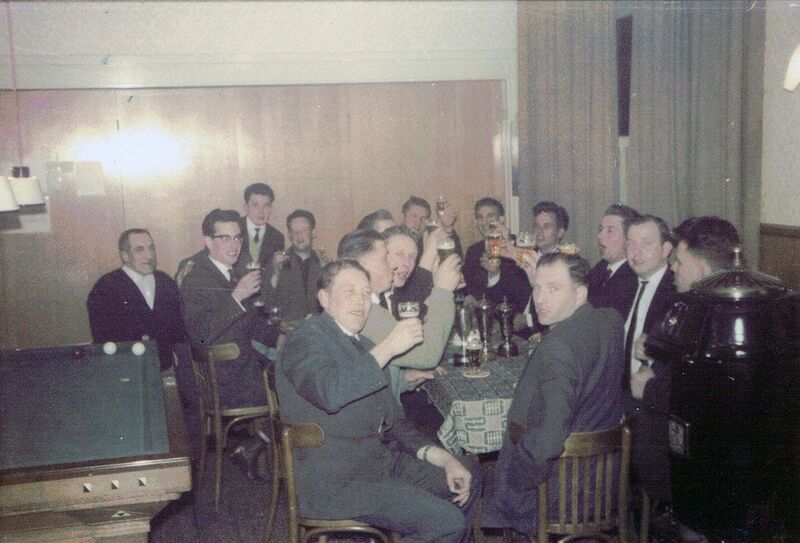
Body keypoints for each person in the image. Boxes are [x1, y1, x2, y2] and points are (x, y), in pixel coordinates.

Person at [275, 260, 480, 542]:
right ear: (324, 298)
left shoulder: (364, 345)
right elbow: (329, 392)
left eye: (366, 292)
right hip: (335, 483)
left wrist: (444, 458)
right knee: (447, 523)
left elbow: (394, 422)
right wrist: (389, 347)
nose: (360, 300)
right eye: (349, 291)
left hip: (377, 466)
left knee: (467, 471)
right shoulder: (305, 339)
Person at [482, 252, 624, 537]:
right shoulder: (610, 321)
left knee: (481, 486)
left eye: (554, 288)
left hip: (560, 493)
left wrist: (513, 479)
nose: (540, 299)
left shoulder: (557, 347)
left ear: (580, 293)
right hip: (606, 483)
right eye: (537, 287)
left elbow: (546, 443)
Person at [630, 217, 740, 512]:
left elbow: (704, 395)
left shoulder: (711, 316)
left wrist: (648, 389)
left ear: (701, 269)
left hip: (697, 475)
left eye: (678, 261)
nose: (673, 268)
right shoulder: (717, 306)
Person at [337, 229, 459, 398]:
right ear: (361, 265)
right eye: (385, 258)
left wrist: (401, 380)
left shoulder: (375, 304)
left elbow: (366, 368)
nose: (394, 265)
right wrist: (443, 291)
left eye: (412, 257)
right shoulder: (363, 311)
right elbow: (428, 355)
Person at [179, 208, 267, 408]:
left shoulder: (233, 274)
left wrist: (279, 339)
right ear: (208, 242)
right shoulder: (196, 280)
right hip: (224, 383)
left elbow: (250, 324)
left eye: (237, 237)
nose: (234, 245)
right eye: (225, 238)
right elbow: (199, 334)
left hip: (243, 370)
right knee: (290, 385)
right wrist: (237, 296)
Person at [87, 228, 184, 370]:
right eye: (139, 250)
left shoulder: (165, 281)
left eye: (151, 248)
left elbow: (177, 330)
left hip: (166, 370)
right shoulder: (106, 287)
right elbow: (103, 339)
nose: (149, 255)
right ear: (125, 256)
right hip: (126, 371)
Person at [622, 214, 676, 391]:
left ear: (665, 249)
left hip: (654, 394)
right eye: (630, 244)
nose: (636, 252)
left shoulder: (678, 293)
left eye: (646, 243)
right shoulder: (622, 286)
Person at [462, 197, 531, 313]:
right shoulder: (473, 251)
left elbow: (523, 291)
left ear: (501, 219)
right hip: (484, 316)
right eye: (480, 217)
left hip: (515, 316)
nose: (484, 222)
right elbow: (471, 289)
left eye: (490, 216)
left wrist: (508, 243)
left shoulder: (519, 246)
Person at [263, 209, 328, 321]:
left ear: (313, 233)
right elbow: (266, 305)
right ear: (289, 235)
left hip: (318, 327)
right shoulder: (276, 263)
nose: (299, 236)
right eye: (294, 232)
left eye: (304, 230)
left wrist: (326, 272)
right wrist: (277, 274)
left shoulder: (324, 263)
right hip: (287, 328)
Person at [587, 203, 641, 319]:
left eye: (610, 231)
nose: (600, 236)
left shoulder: (634, 276)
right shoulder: (602, 266)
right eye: (600, 229)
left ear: (629, 239)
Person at [236, 182, 285, 274]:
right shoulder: (234, 229)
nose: (261, 212)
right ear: (246, 207)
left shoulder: (277, 237)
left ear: (271, 208)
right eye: (255, 205)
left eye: (266, 205)